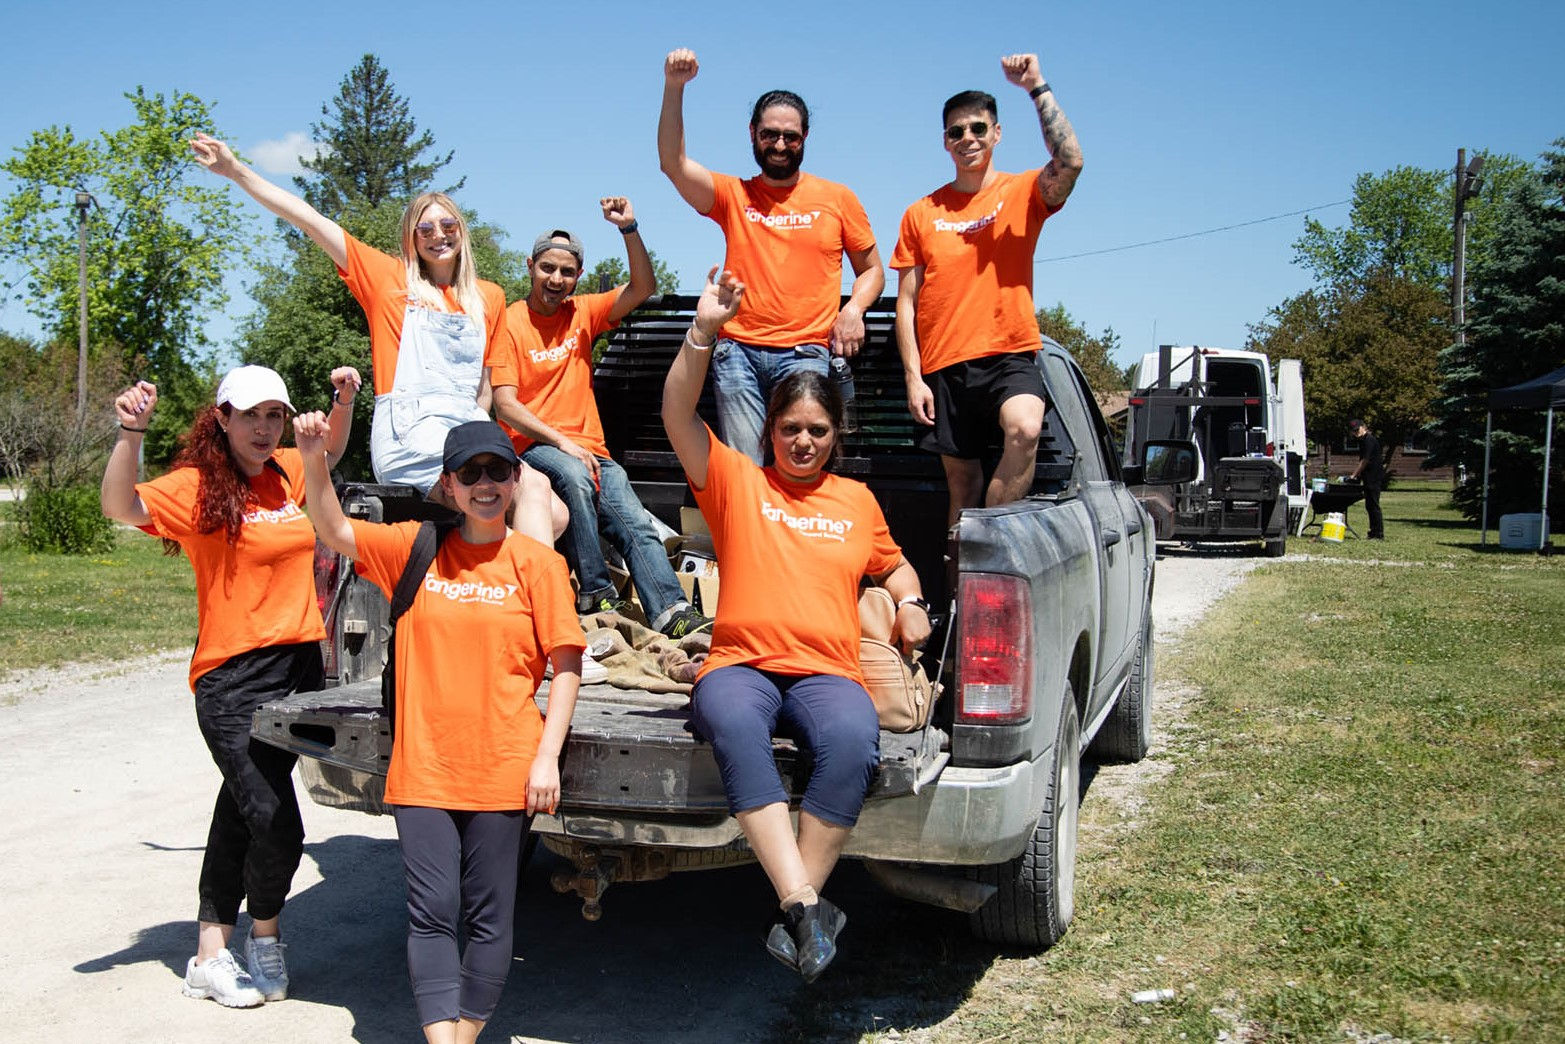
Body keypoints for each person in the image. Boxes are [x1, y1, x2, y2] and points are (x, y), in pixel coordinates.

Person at [662, 268, 932, 981]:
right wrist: (702, 332)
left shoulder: (856, 500)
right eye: (789, 429)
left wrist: (909, 603)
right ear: (770, 431)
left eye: (816, 430)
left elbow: (896, 569)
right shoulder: (735, 481)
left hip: (826, 671)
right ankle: (803, 905)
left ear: (834, 433)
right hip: (740, 666)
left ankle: (797, 912)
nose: (803, 442)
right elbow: (677, 414)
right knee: (731, 721)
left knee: (852, 740)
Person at [294, 416, 584, 1044]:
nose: (485, 483)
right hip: (424, 768)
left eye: (497, 470)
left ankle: (465, 1034)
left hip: (506, 768)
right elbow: (333, 527)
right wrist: (315, 461)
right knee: (430, 915)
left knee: (488, 917)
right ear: (448, 485)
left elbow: (565, 668)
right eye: (469, 472)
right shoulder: (415, 546)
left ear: (514, 480)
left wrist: (547, 760)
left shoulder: (537, 563)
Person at [100, 363, 361, 1008]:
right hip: (232, 677)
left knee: (241, 808)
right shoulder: (197, 487)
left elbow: (327, 448)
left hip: (298, 671)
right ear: (221, 418)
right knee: (274, 819)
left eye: (274, 415)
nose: (265, 428)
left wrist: (345, 400)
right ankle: (265, 932)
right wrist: (130, 433)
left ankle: (210, 953)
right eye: (251, 416)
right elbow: (120, 506)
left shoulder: (286, 475)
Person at [189, 134, 559, 540]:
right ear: (412, 239)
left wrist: (476, 426)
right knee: (511, 496)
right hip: (411, 431)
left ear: (461, 232)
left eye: (448, 224)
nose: (439, 234)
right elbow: (310, 220)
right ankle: (525, 597)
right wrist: (235, 170)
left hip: (466, 426)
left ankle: (501, 588)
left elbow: (484, 389)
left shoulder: (489, 296)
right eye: (426, 228)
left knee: (554, 510)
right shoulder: (388, 280)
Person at [491, 200, 711, 638]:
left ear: (578, 276)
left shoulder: (583, 313)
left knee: (633, 516)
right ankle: (594, 590)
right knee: (572, 475)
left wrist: (629, 228)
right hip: (532, 449)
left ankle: (671, 611)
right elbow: (505, 404)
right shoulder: (509, 321)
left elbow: (643, 285)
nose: (556, 280)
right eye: (547, 268)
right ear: (530, 265)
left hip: (591, 450)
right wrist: (561, 442)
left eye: (567, 272)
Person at [658, 48, 885, 463]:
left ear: (804, 138)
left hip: (807, 354)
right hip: (737, 354)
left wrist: (854, 310)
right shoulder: (733, 195)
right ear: (752, 133)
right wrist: (675, 88)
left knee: (799, 464)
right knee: (747, 471)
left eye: (790, 136)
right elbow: (673, 163)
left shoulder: (837, 198)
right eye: (769, 135)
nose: (780, 145)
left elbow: (872, 271)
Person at [891, 53, 1083, 527]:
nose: (967, 139)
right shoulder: (921, 212)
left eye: (978, 128)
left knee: (1024, 428)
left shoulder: (1022, 192)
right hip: (944, 366)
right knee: (963, 488)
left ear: (997, 133)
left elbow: (1071, 161)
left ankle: (988, 545)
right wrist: (914, 377)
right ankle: (961, 592)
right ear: (945, 142)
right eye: (956, 132)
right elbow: (906, 302)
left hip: (1009, 352)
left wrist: (1037, 87)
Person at [1347, 418, 1386, 539]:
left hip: (1374, 477)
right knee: (1369, 505)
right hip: (1367, 477)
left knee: (1374, 504)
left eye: (1357, 430)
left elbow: (1365, 461)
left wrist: (1354, 475)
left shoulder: (1369, 440)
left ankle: (1378, 533)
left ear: (1363, 427)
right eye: (1354, 431)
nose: (1356, 433)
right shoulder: (1362, 441)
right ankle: (1373, 531)